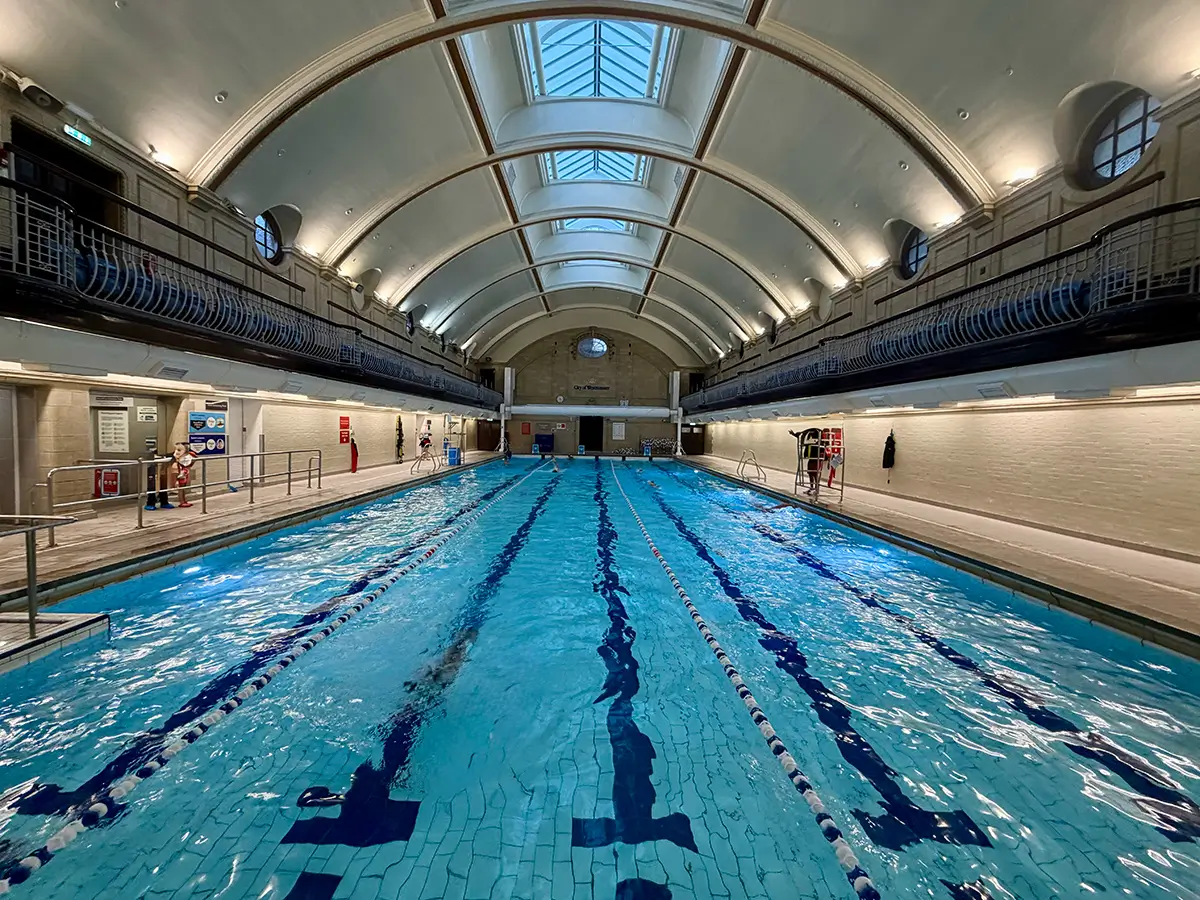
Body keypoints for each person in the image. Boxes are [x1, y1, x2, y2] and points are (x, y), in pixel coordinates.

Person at [171, 443, 196, 508]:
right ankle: (181, 502)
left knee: (183, 487)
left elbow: (190, 463)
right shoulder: (177, 454)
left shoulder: (187, 455)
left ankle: (184, 500)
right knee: (181, 487)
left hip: (184, 472)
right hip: (179, 471)